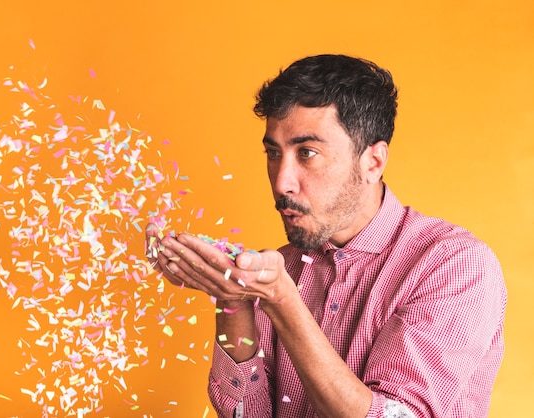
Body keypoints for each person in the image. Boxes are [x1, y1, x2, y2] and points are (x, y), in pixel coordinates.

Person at [145, 54, 507, 417]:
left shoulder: (454, 266)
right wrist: (232, 301)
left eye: (307, 153)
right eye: (273, 153)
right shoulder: (275, 269)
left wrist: (281, 301)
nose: (282, 182)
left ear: (373, 162)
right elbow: (244, 413)